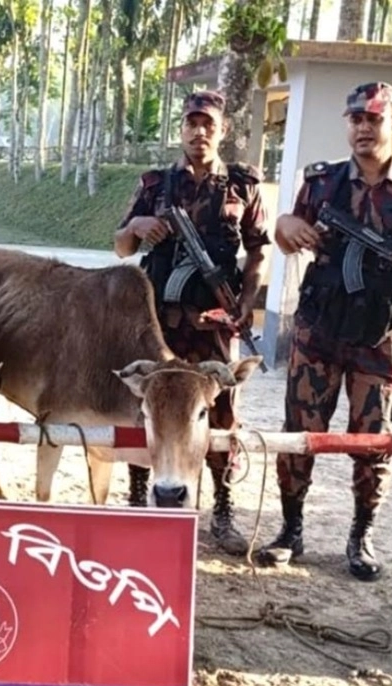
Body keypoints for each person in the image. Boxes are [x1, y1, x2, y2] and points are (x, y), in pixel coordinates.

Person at [257, 81, 392, 581]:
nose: (364, 127)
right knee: (300, 433)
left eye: (374, 119)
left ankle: (361, 535)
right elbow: (288, 231)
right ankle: (291, 530)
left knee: (373, 439)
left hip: (380, 340)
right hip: (319, 332)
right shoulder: (321, 184)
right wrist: (287, 226)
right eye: (356, 118)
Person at [113, 90, 270, 555]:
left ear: (223, 130)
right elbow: (121, 247)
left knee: (222, 415)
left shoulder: (242, 185)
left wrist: (247, 296)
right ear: (180, 129)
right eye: (191, 123)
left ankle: (221, 509)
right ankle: (140, 498)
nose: (199, 132)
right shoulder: (156, 185)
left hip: (215, 323)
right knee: (151, 412)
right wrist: (138, 227)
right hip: (158, 322)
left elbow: (259, 247)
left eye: (208, 124)